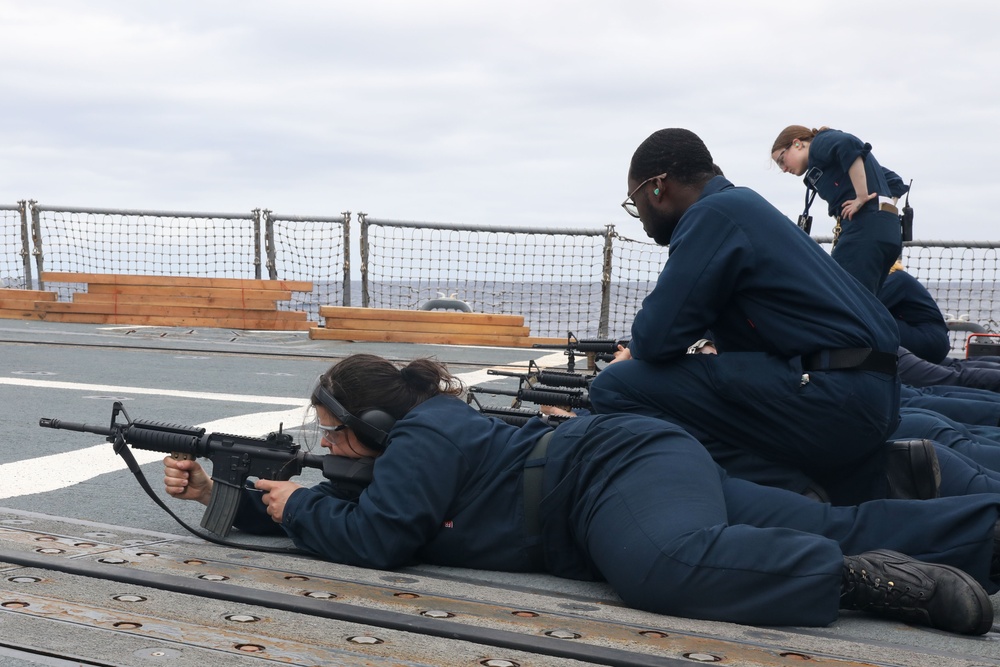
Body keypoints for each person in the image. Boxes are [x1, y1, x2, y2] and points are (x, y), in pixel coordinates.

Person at [162, 353, 1000, 634]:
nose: (330, 449)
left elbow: (380, 536)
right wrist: (216, 492)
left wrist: (296, 504)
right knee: (830, 519)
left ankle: (858, 578)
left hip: (605, 474)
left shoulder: (426, 431)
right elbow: (360, 516)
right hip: (624, 466)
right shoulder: (410, 446)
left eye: (336, 432)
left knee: (667, 564)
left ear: (379, 418)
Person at [589, 128, 904, 506]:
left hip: (837, 399)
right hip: (872, 394)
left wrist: (633, 353)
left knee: (615, 387)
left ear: (657, 187)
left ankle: (787, 491)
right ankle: (852, 480)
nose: (637, 214)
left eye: (634, 200)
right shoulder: (741, 206)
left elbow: (656, 337)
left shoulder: (710, 216)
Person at [770, 125, 903, 294]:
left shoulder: (820, 143)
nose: (784, 169)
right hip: (887, 233)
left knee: (839, 295)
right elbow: (894, 181)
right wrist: (883, 210)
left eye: (782, 160)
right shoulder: (826, 162)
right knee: (867, 302)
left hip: (863, 232)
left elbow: (848, 144)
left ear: (797, 144)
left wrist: (861, 197)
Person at [880, 262, 951, 364]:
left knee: (872, 318)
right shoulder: (896, 278)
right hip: (934, 342)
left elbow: (866, 307)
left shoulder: (898, 278)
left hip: (929, 339)